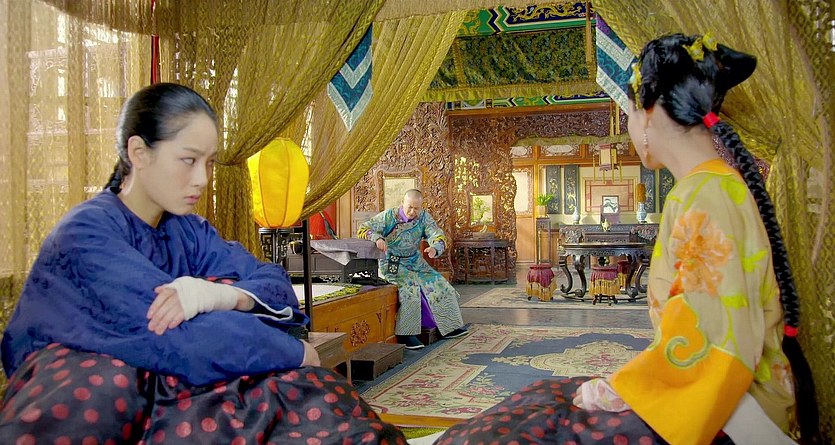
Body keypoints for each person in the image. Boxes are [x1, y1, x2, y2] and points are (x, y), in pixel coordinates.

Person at [433, 33, 819, 444]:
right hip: (710, 389)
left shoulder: (708, 195)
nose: (630, 124)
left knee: (526, 428)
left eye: (629, 112)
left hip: (729, 408)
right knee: (539, 403)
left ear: (648, 114)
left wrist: (625, 390)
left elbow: (717, 342)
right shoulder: (709, 186)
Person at [0, 82, 405, 444]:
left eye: (208, 163)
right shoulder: (86, 233)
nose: (202, 179)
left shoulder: (189, 230)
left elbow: (275, 283)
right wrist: (295, 351)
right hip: (87, 386)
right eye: (188, 160)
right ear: (138, 152)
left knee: (315, 396)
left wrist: (224, 297)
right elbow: (177, 336)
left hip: (175, 368)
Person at [358, 189, 468, 350]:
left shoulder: (423, 218)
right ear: (402, 203)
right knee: (409, 287)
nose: (412, 212)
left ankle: (450, 326)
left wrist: (435, 247)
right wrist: (377, 238)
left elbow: (436, 234)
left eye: (416, 208)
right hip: (392, 262)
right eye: (409, 207)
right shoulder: (388, 216)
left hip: (415, 260)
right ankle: (407, 334)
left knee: (439, 283)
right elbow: (364, 229)